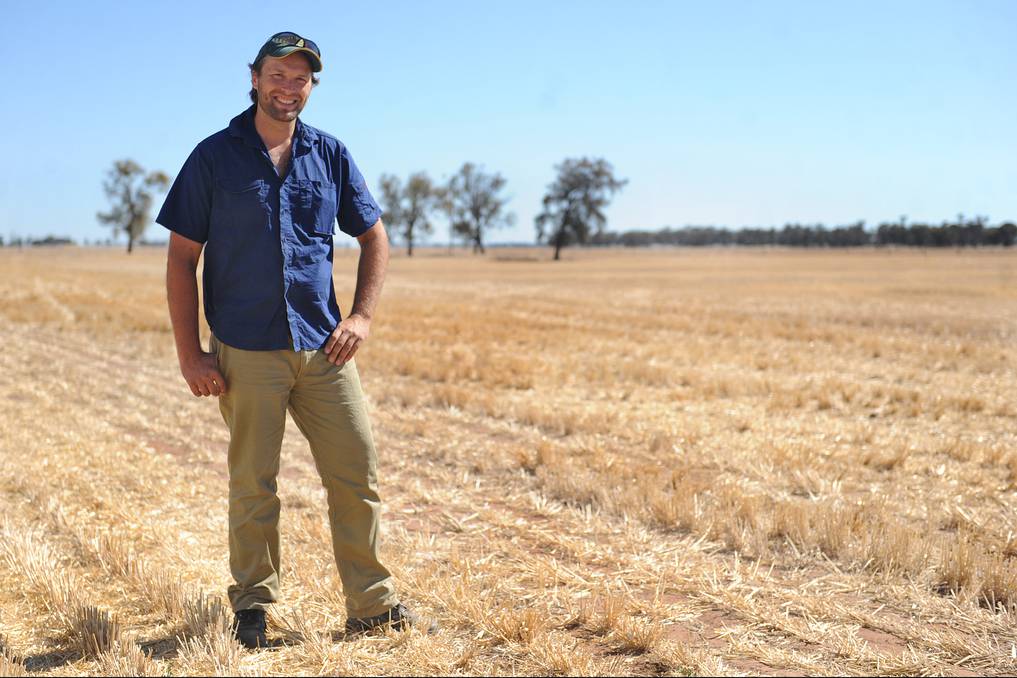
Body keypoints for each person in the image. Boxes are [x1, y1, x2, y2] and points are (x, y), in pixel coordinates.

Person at [157, 31, 431, 649]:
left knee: (356, 473)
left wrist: (360, 317)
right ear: (254, 78)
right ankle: (252, 607)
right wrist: (191, 353)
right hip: (246, 350)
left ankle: (373, 607)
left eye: (301, 78)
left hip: (323, 349)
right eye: (278, 74)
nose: (289, 87)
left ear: (311, 87)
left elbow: (375, 237)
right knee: (254, 483)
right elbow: (181, 260)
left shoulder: (329, 154)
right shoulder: (213, 157)